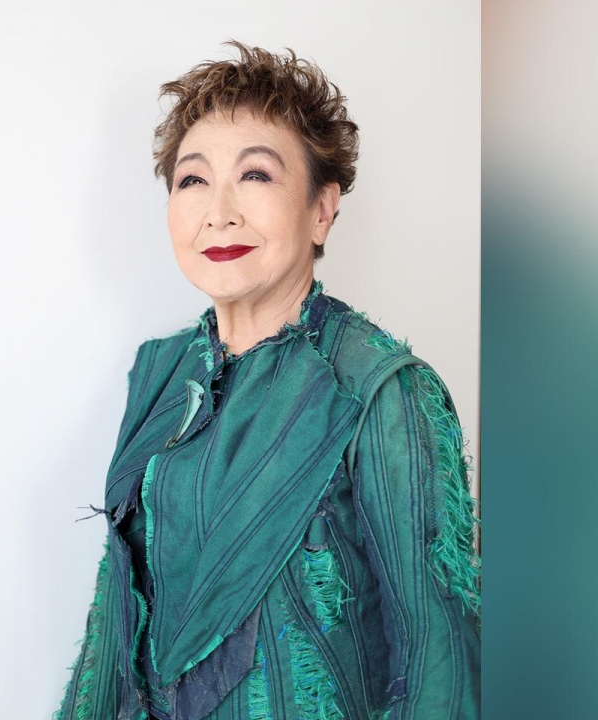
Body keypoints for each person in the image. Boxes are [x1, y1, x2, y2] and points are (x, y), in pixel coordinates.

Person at [53, 40, 480, 720]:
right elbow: (116, 619)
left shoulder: (381, 389)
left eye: (255, 174)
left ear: (321, 209)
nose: (219, 211)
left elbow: (441, 662)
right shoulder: (159, 373)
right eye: (192, 180)